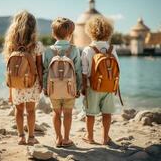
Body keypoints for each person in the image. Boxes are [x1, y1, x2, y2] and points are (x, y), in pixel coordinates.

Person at [3, 10, 43, 145]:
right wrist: (42, 83)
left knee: (18, 110)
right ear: (33, 27)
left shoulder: (11, 45)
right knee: (31, 110)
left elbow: (9, 69)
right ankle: (31, 137)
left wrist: (9, 90)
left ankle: (20, 136)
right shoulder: (36, 45)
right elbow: (39, 66)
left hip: (16, 83)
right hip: (32, 83)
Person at [43, 17, 82, 147]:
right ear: (70, 35)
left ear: (53, 34)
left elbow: (45, 71)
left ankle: (58, 138)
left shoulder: (49, 50)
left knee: (56, 113)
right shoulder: (74, 49)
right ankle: (66, 139)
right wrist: (79, 88)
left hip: (53, 87)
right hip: (70, 88)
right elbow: (77, 70)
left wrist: (45, 87)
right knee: (68, 113)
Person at [81, 15, 119, 145]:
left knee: (90, 114)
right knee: (107, 113)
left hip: (93, 87)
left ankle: (90, 137)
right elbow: (118, 69)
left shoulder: (88, 49)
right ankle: (105, 138)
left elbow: (84, 72)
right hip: (108, 86)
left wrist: (83, 87)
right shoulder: (112, 49)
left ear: (90, 31)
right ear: (109, 32)